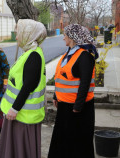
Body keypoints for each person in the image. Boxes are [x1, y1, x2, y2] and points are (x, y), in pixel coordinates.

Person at [0, 19, 47, 158]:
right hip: (20, 114)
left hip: (22, 116)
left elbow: (28, 85)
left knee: (20, 150)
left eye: (18, 33)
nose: (16, 36)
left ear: (27, 34)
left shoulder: (34, 56)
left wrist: (14, 109)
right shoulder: (29, 52)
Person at [48, 24, 98, 158]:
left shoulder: (84, 57)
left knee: (78, 143)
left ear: (72, 37)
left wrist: (78, 106)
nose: (63, 38)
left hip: (78, 109)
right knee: (63, 141)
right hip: (65, 106)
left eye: (65, 35)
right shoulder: (68, 54)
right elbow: (60, 75)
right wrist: (55, 95)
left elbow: (85, 84)